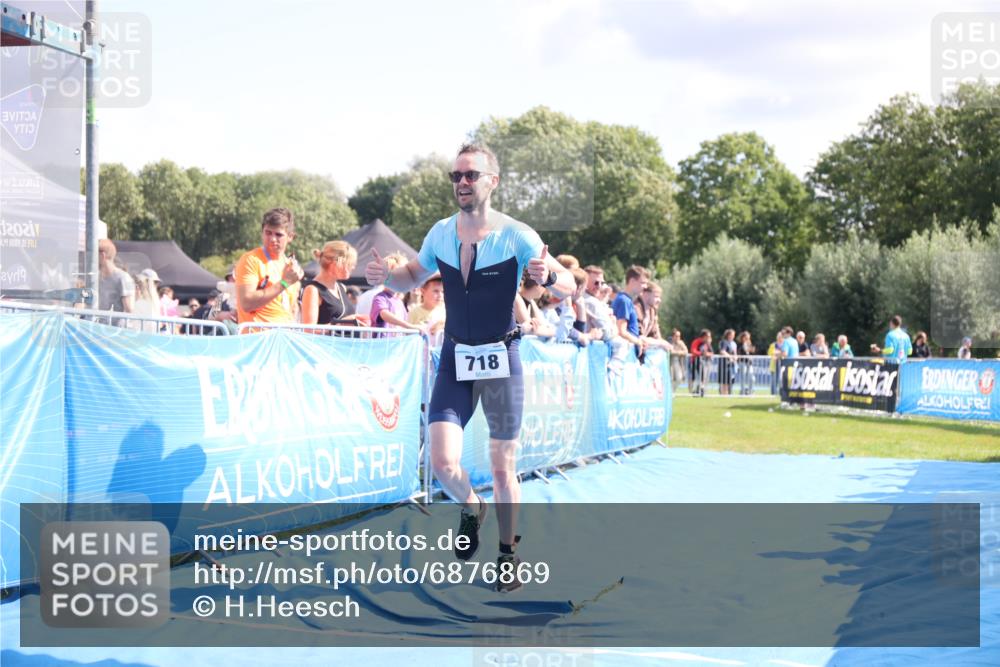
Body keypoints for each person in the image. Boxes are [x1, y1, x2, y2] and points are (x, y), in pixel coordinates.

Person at [364, 142, 572, 592]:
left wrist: (549, 276)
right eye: (455, 176)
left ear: (491, 181)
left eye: (470, 175)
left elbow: (569, 283)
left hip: (502, 359)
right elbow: (412, 277)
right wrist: (385, 278)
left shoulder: (517, 234)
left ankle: (508, 555)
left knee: (503, 464)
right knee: (441, 462)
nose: (461, 182)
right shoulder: (440, 232)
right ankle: (472, 506)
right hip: (455, 359)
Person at [235, 207, 304, 329]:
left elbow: (291, 310)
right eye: (268, 233)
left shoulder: (291, 266)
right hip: (258, 340)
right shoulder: (251, 259)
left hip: (285, 338)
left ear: (290, 237)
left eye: (278, 235)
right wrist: (284, 283)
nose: (272, 239)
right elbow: (246, 303)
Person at [301, 241, 368, 329]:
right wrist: (341, 324)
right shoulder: (313, 290)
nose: (353, 267)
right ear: (335, 264)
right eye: (349, 264)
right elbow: (308, 330)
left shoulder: (342, 288)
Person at [612, 266, 649, 356]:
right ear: (632, 281)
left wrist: (639, 338)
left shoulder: (627, 300)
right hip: (625, 355)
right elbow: (622, 331)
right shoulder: (624, 301)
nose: (645, 287)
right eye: (643, 283)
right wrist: (638, 341)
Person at [97, 239, 134, 325]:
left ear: (102, 255)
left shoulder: (123, 278)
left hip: (116, 332)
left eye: (93, 254)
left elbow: (129, 309)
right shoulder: (96, 278)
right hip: (98, 329)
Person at [408, 275, 447, 346]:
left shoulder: (445, 312)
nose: (440, 295)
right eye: (436, 291)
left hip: (439, 354)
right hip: (420, 353)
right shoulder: (414, 312)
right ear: (423, 292)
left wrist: (443, 325)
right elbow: (407, 335)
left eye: (443, 291)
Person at [635, 283, 671, 353]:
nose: (659, 300)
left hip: (641, 350)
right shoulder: (636, 308)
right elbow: (639, 335)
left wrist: (663, 343)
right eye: (656, 296)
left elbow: (655, 335)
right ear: (645, 294)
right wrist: (661, 343)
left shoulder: (653, 311)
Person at [689, 329, 713, 397]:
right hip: (695, 362)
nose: (709, 338)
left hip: (705, 363)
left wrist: (707, 354)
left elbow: (711, 352)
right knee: (695, 377)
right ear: (704, 336)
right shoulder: (696, 341)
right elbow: (693, 351)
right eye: (708, 336)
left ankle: (700, 390)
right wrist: (702, 353)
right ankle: (694, 390)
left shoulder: (707, 343)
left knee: (703, 377)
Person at [717, 329, 737, 395]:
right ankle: (723, 394)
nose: (733, 336)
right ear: (728, 335)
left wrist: (735, 357)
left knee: (729, 381)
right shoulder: (724, 342)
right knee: (724, 381)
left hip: (730, 365)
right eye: (732, 335)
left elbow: (734, 353)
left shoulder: (733, 343)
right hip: (724, 365)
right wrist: (730, 357)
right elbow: (722, 351)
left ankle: (727, 394)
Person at [736, 330, 755, 395]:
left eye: (748, 337)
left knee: (752, 378)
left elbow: (753, 351)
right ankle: (743, 391)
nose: (747, 339)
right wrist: (746, 347)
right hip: (742, 362)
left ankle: (750, 391)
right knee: (743, 377)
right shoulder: (739, 344)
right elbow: (740, 352)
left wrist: (750, 348)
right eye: (746, 337)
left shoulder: (750, 344)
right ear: (743, 337)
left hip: (749, 363)